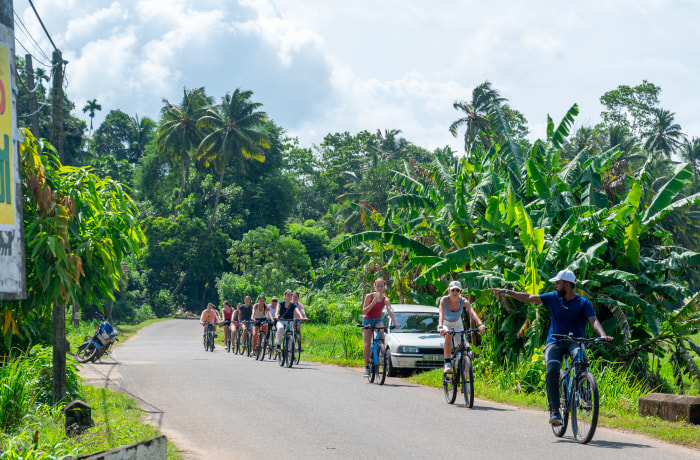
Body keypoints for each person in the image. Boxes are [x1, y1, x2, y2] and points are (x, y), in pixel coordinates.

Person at [490, 269, 613, 426]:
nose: (555, 286)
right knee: (552, 370)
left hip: (574, 341)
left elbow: (593, 321)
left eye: (558, 283)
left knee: (581, 360)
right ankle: (555, 411)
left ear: (567, 285)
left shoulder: (583, 303)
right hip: (554, 342)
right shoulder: (554, 298)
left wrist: (603, 335)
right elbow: (529, 297)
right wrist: (506, 291)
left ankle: (583, 389)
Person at [438, 280, 486, 374]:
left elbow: (472, 313)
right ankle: (447, 363)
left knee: (464, 350)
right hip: (445, 324)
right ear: (449, 291)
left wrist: (480, 324)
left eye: (457, 290)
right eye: (453, 290)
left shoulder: (464, 301)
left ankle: (465, 376)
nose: (455, 292)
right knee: (448, 335)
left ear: (460, 291)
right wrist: (440, 327)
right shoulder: (444, 300)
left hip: (458, 324)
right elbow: (441, 314)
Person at [361, 278, 399, 377]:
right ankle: (367, 367)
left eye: (381, 286)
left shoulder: (385, 299)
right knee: (367, 344)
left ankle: (381, 349)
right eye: (377, 286)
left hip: (378, 320)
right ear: (374, 287)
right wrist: (372, 303)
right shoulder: (369, 296)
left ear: (384, 287)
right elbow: (364, 311)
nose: (379, 288)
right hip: (367, 320)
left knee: (381, 330)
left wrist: (395, 322)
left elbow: (389, 310)